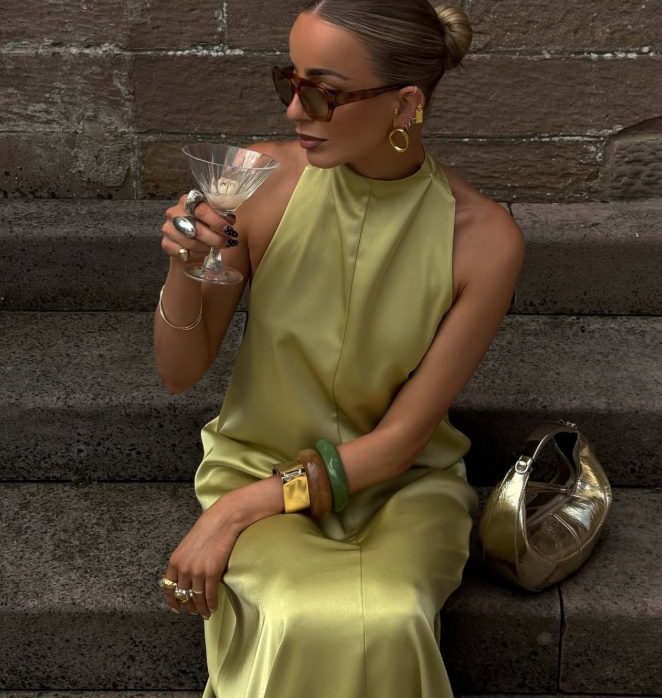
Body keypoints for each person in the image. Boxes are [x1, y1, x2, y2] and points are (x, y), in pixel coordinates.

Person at [154, 1, 525, 696]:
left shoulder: (485, 240)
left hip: (401, 488)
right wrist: (183, 267)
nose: (295, 110)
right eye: (288, 81)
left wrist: (232, 513)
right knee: (304, 611)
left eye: (323, 92)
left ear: (405, 105)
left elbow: (400, 443)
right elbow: (179, 372)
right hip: (256, 462)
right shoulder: (255, 183)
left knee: (387, 614)